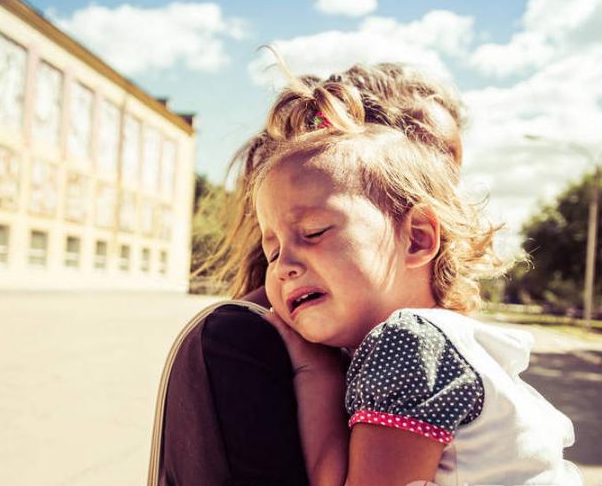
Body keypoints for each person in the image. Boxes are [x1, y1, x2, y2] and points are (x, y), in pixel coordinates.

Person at [147, 62, 487, 486]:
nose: (445, 193)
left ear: (418, 237)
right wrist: (318, 373)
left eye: (450, 172)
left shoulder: (421, 344)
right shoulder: (244, 341)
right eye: (274, 250)